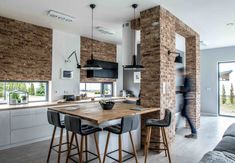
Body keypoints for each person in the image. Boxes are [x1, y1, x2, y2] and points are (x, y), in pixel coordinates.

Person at [177, 68, 197, 139]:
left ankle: (194, 132)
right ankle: (193, 132)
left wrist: (179, 90)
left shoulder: (187, 79)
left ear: (183, 72)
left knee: (185, 114)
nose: (179, 74)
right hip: (185, 99)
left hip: (186, 99)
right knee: (183, 114)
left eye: (180, 72)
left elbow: (186, 89)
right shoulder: (185, 78)